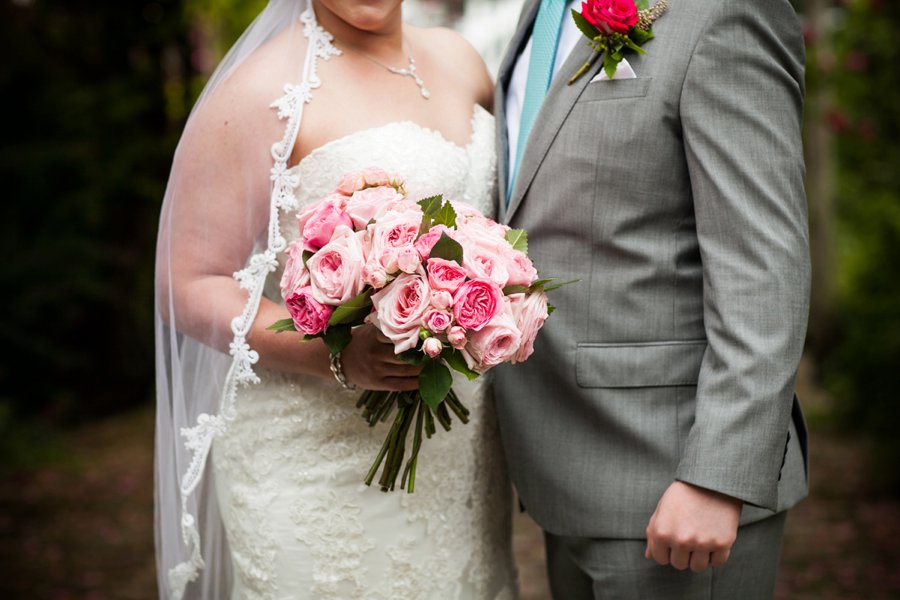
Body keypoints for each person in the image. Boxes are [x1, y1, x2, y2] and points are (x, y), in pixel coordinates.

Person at [153, 1, 518, 598]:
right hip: (317, 467)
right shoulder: (264, 91)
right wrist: (337, 355)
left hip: (458, 460)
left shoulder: (462, 62)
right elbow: (187, 283)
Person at [492, 0, 810, 598]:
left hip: (674, 475)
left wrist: (718, 478)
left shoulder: (726, 13)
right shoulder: (539, 14)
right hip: (562, 461)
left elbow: (764, 269)